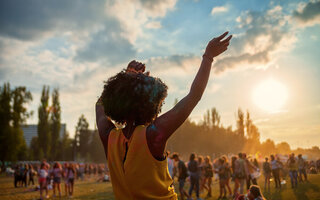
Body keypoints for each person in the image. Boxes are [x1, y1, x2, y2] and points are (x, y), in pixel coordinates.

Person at [96, 31, 232, 199]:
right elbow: (194, 96)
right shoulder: (153, 135)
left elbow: (99, 106)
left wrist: (127, 76)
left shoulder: (110, 138)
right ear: (152, 103)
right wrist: (208, 57)